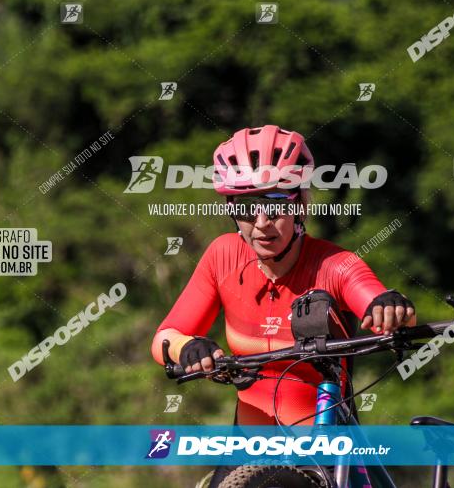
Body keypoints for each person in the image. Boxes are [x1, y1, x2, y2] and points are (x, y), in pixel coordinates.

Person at [150, 124, 415, 424]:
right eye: (248, 207)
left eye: (275, 205)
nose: (262, 223)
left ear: (300, 206)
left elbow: (385, 309)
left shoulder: (334, 263)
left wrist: (391, 307)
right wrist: (187, 347)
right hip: (250, 450)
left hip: (324, 443)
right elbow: (164, 337)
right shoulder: (222, 256)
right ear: (231, 209)